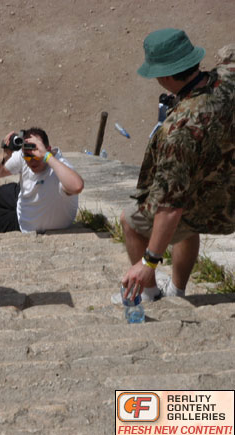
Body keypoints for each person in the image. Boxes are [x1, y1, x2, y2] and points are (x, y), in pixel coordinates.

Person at [119, 29, 235, 303]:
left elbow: (170, 207)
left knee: (130, 220)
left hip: (206, 204)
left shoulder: (179, 129)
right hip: (225, 186)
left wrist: (149, 263)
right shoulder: (229, 79)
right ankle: (178, 290)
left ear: (165, 75)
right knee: (186, 216)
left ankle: (147, 292)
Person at [0, 128, 84, 235]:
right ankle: (2, 209)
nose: (32, 161)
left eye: (37, 155)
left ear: (48, 149)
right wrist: (6, 154)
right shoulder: (24, 155)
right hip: (26, 199)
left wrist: (46, 156)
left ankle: (0, 212)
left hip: (26, 223)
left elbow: (77, 186)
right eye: (28, 156)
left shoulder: (59, 167)